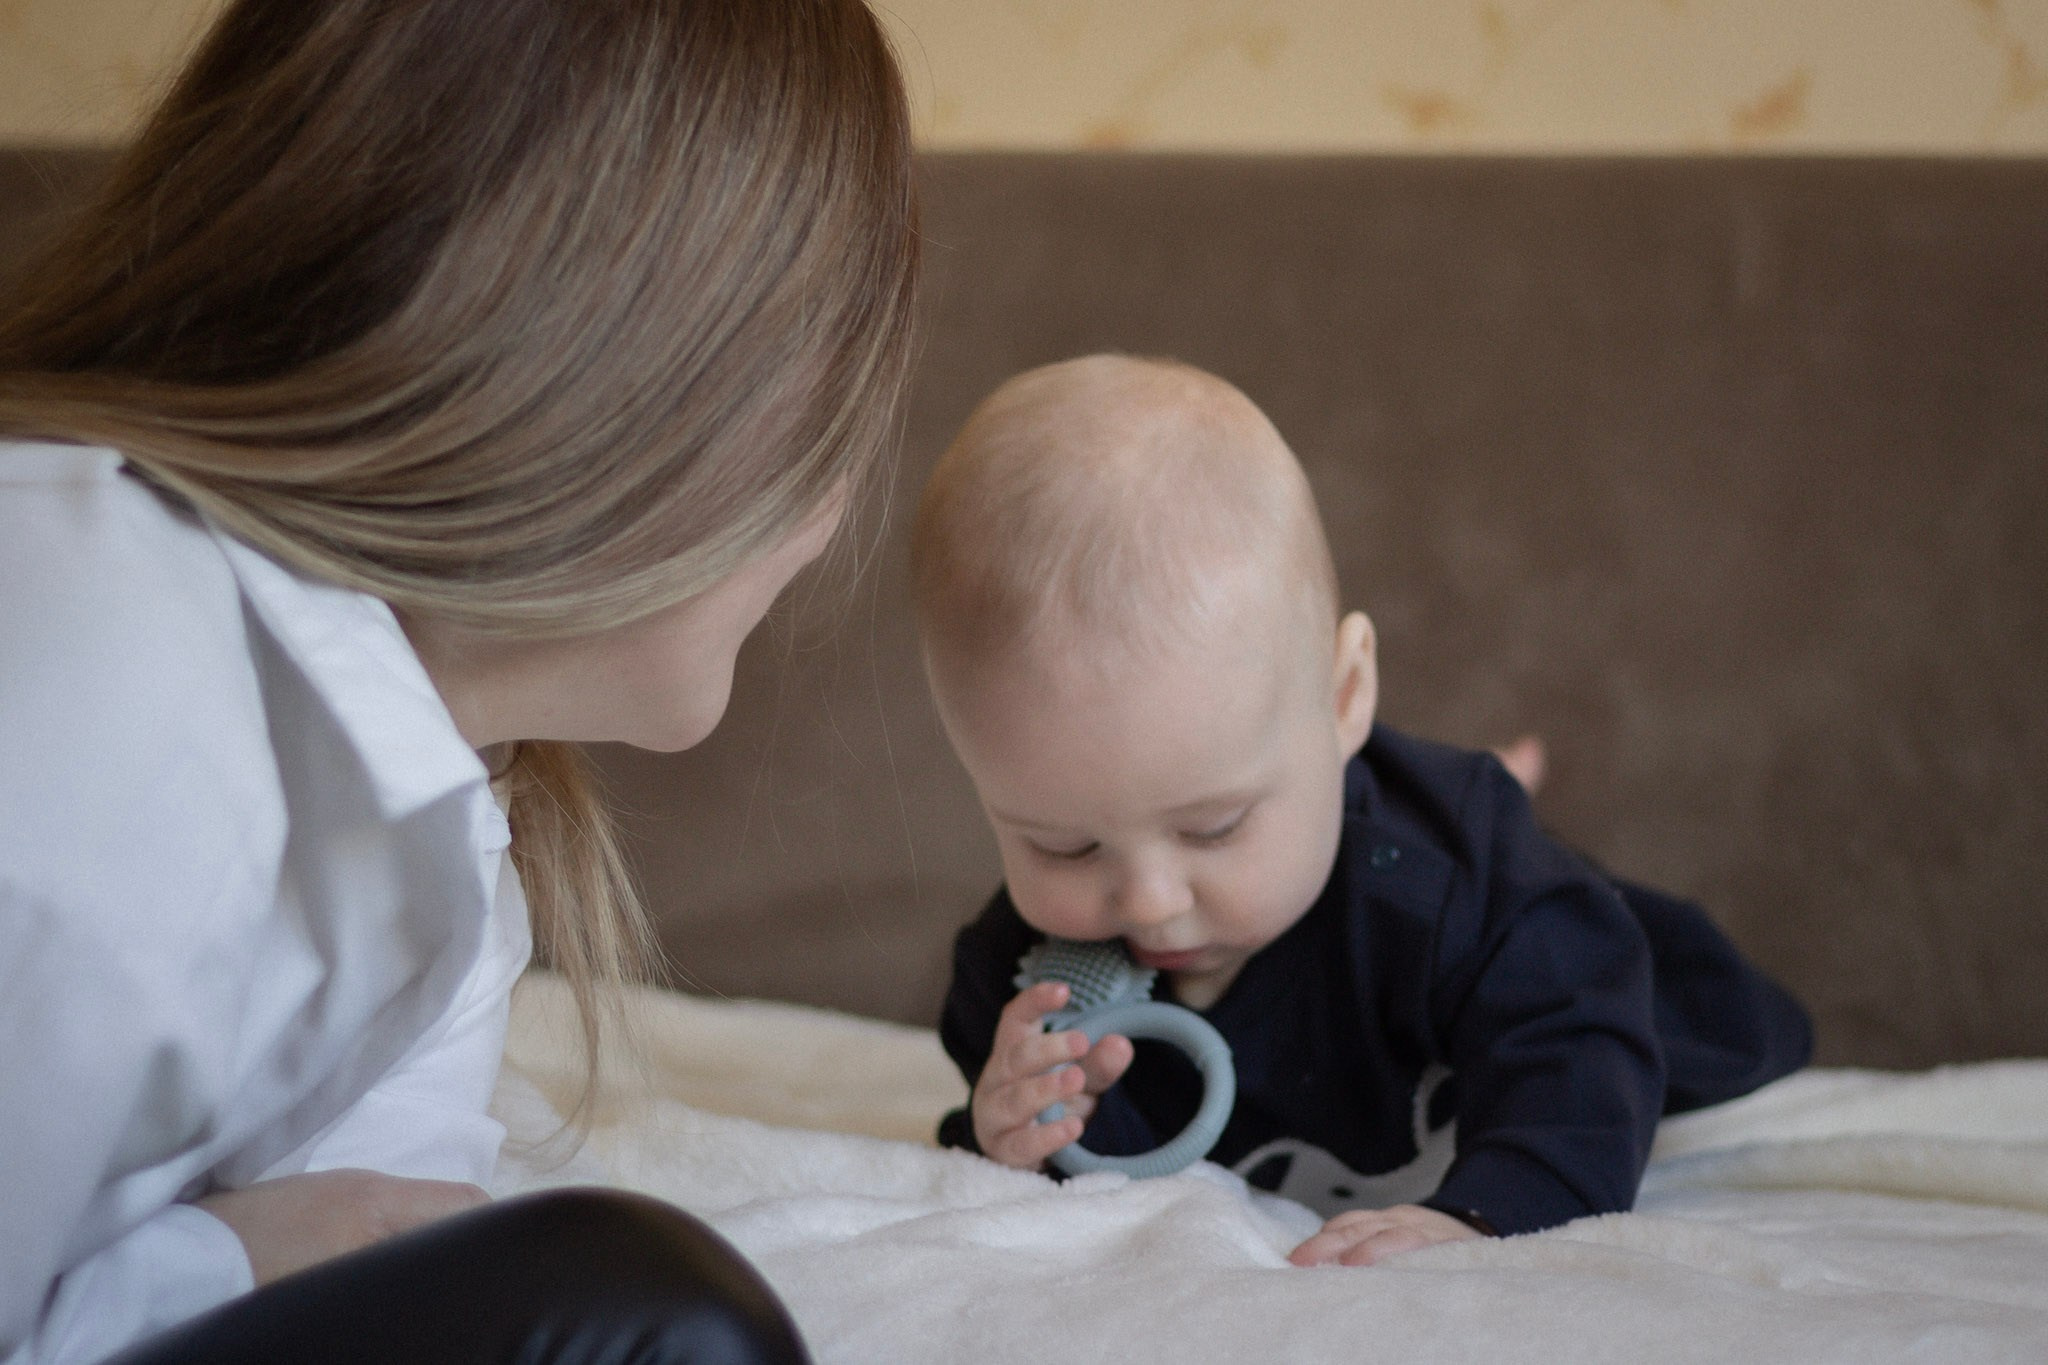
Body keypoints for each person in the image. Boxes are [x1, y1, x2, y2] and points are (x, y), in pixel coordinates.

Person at [0, 0, 918, 1360]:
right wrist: (211, 1258)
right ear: (644, 370)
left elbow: (367, 1235)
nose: (841, 502)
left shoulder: (448, 845)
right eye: (837, 396)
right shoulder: (107, 678)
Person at [911, 355, 1812, 1268]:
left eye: (1214, 826)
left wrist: (1485, 1215)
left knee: (1480, 873)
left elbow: (1581, 1047)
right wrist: (1006, 1134)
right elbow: (1058, 1183)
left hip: (1597, 966)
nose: (1146, 899)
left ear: (1346, 693)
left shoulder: (1457, 897)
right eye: (1063, 843)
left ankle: (1472, 792)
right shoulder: (1023, 988)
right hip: (1383, 841)